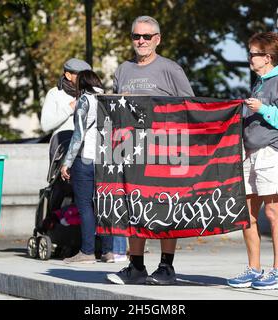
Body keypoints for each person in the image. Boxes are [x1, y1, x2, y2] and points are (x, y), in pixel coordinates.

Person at [106, 16, 194, 285]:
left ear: (157, 39)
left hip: (166, 148)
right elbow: (114, 109)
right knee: (134, 206)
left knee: (166, 206)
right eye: (136, 36)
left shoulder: (171, 69)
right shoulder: (122, 70)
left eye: (146, 37)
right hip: (130, 150)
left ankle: (166, 267)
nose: (141, 41)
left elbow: (190, 106)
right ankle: (136, 267)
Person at [227, 32, 278, 290]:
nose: (249, 57)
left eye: (253, 53)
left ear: (267, 57)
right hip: (252, 153)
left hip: (275, 151)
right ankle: (253, 269)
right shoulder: (260, 82)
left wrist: (263, 109)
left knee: (273, 211)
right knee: (247, 214)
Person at [60, 70, 114, 264]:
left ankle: (87, 252)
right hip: (107, 160)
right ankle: (108, 252)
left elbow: (78, 135)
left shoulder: (85, 100)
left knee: (85, 206)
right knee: (104, 205)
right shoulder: (108, 100)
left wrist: (66, 163)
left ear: (81, 84)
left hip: (86, 159)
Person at [40, 58, 91, 211]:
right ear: (68, 75)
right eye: (80, 75)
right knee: (62, 185)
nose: (85, 78)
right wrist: (70, 108)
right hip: (63, 141)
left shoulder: (90, 93)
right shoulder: (55, 94)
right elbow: (45, 125)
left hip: (86, 141)